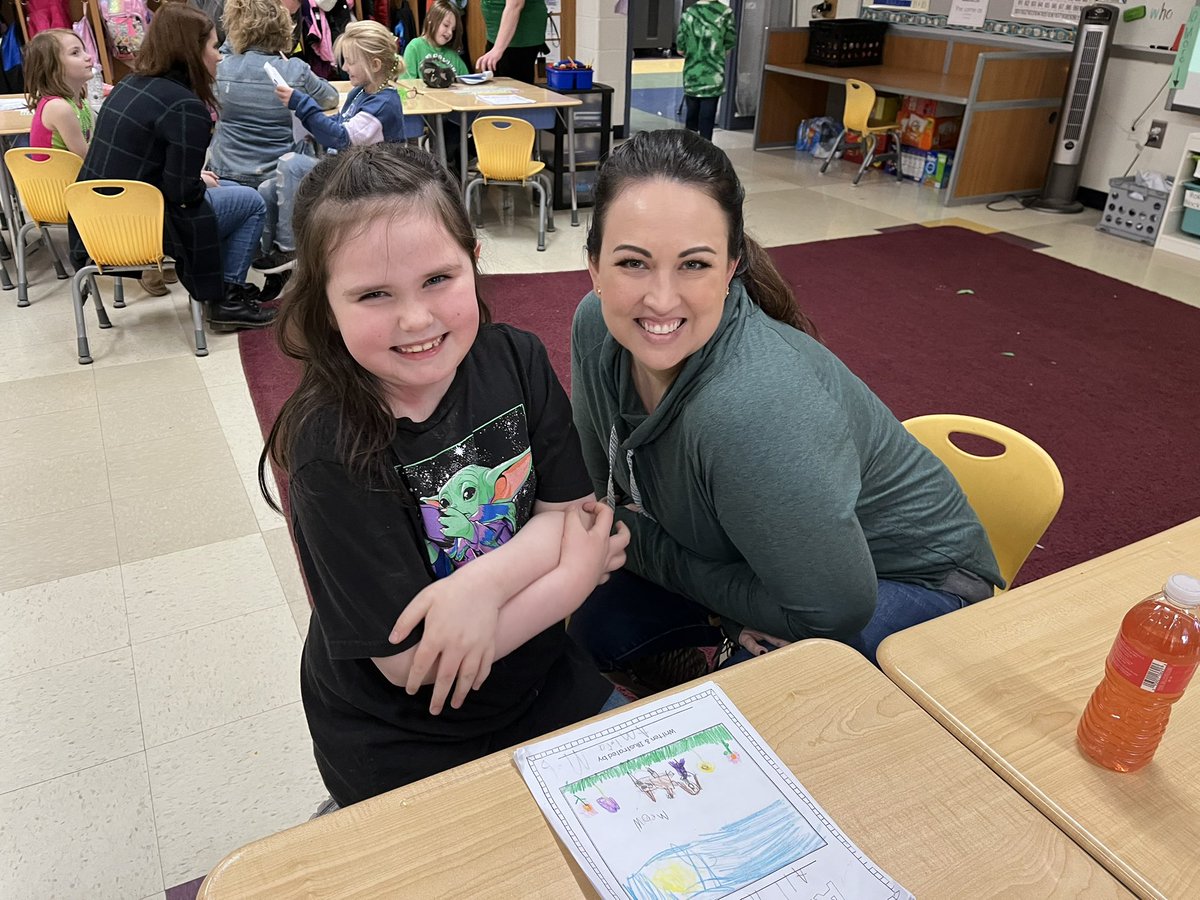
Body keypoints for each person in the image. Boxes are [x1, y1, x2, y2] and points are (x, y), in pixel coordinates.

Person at [258, 142, 630, 810]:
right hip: (398, 735)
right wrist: (574, 575)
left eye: (439, 279)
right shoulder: (328, 445)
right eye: (374, 294)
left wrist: (479, 587)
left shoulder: (514, 358)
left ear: (475, 262)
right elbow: (414, 662)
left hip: (539, 681)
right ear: (326, 304)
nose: (416, 319)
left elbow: (570, 511)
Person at [567, 129, 1002, 695]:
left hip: (905, 580)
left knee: (743, 705)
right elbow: (596, 495)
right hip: (748, 556)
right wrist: (716, 591)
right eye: (633, 263)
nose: (661, 299)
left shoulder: (750, 405)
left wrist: (636, 542)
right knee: (592, 628)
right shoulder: (595, 327)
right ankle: (690, 663)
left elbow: (832, 611)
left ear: (732, 267)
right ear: (594, 266)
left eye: (694, 264)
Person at [71, 2, 274, 329]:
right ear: (191, 51)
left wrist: (196, 179)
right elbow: (183, 193)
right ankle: (226, 299)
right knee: (251, 202)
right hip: (141, 227)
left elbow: (147, 164)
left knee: (231, 188)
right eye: (212, 46)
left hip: (95, 223)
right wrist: (195, 181)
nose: (219, 55)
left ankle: (223, 288)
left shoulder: (128, 85)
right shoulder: (185, 106)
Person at [253, 19, 406, 275]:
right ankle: (272, 258)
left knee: (291, 165)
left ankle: (290, 250)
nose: (344, 67)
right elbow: (339, 122)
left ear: (375, 65)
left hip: (369, 178)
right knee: (266, 188)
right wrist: (312, 128)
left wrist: (302, 105)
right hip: (347, 167)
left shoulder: (384, 104)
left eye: (350, 61)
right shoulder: (361, 92)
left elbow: (342, 138)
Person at [208, 0, 338, 298]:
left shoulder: (220, 69)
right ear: (283, 28)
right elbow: (329, 98)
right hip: (280, 176)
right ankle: (286, 256)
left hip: (229, 173)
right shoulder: (294, 70)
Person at [23, 28, 94, 158]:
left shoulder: (80, 102)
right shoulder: (59, 107)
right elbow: (86, 158)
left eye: (84, 50)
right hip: (57, 178)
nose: (88, 57)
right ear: (52, 66)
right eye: (75, 53)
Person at [675, 0, 736, 142]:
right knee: (707, 119)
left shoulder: (689, 13)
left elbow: (680, 48)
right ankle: (706, 154)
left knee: (691, 118)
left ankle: (689, 152)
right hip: (714, 76)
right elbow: (729, 45)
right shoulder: (726, 13)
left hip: (692, 74)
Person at [475, 0, 547, 84]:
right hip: (497, 36)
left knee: (512, 87)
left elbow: (515, 5)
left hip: (517, 39)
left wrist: (497, 50)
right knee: (493, 84)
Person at [403, 0, 467, 78]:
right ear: (431, 20)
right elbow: (404, 86)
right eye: (446, 25)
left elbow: (467, 85)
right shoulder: (414, 47)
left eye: (453, 29)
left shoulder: (454, 56)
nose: (450, 32)